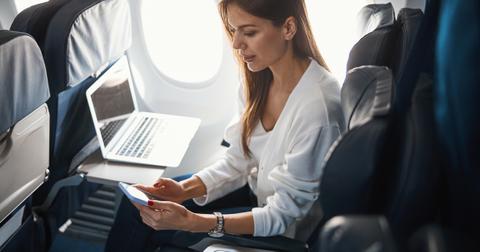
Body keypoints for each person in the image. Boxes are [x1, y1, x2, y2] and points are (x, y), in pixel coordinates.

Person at [105, 0, 344, 250]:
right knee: (141, 204)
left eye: (249, 32)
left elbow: (282, 215)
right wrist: (183, 190)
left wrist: (193, 222)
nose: (237, 44)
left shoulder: (318, 108)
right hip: (254, 191)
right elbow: (238, 162)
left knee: (168, 236)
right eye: (234, 30)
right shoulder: (259, 78)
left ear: (288, 28)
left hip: (282, 228)